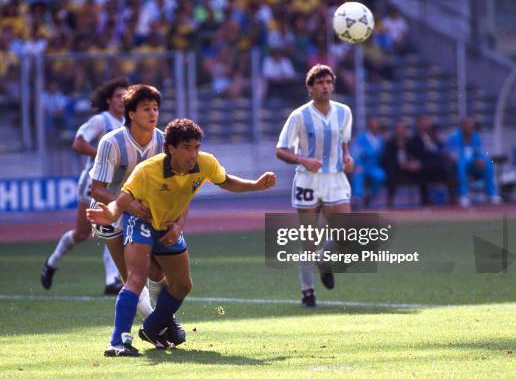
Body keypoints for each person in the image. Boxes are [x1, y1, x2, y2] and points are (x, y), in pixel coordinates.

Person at [87, 118, 277, 357]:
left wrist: (256, 185)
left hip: (168, 226)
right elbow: (123, 201)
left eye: (196, 147)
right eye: (187, 147)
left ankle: (153, 327)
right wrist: (110, 212)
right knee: (136, 277)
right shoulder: (147, 171)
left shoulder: (205, 163)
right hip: (141, 223)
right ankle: (118, 342)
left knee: (183, 285)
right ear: (170, 148)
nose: (193, 153)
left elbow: (226, 181)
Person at [89, 84, 187, 356]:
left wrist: (176, 221)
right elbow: (96, 189)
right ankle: (147, 330)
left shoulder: (163, 141)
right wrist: (128, 204)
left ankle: (161, 323)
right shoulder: (112, 142)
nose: (153, 113)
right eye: (146, 109)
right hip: (112, 214)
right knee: (133, 276)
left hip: (146, 214)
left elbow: (176, 185)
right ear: (131, 113)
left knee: (157, 272)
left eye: (155, 108)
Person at [275, 64, 354, 308]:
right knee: (308, 238)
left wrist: (348, 159)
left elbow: (344, 146)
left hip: (335, 178)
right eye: (320, 83)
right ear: (310, 88)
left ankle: (323, 259)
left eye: (329, 82)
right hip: (308, 180)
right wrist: (303, 160)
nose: (326, 87)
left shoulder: (344, 112)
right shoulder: (299, 116)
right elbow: (281, 150)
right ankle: (307, 291)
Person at [41, 77, 128, 294]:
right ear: (108, 100)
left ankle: (112, 280)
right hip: (93, 181)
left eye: (125, 96)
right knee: (82, 233)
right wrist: (103, 154)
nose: (122, 100)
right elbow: (78, 143)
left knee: (115, 224)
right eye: (118, 96)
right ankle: (52, 262)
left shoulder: (129, 123)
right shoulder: (101, 121)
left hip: (115, 184)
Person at [446, 118, 501, 207]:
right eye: (467, 125)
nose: (469, 128)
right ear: (462, 126)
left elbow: (483, 151)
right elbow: (451, 152)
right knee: (461, 164)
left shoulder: (476, 136)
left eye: (471, 126)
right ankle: (463, 195)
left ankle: (492, 194)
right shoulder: (454, 136)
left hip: (474, 163)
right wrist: (458, 158)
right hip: (460, 163)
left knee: (489, 163)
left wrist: (481, 159)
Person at [406, 115, 456, 206]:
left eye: (426, 122)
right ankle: (425, 201)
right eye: (422, 122)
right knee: (422, 168)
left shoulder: (434, 137)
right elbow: (412, 154)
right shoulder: (414, 139)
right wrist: (412, 161)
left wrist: (448, 155)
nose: (425, 124)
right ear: (418, 124)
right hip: (423, 164)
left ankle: (452, 196)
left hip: (437, 164)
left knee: (449, 165)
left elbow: (441, 149)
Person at [382, 121, 423, 208]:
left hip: (408, 167)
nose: (400, 131)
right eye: (398, 129)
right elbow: (387, 159)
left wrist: (412, 163)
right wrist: (400, 164)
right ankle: (390, 201)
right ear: (395, 130)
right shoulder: (390, 143)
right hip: (396, 168)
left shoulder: (410, 142)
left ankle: (424, 201)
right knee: (392, 173)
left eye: (402, 129)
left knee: (422, 172)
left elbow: (415, 155)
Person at [352, 117, 386, 207]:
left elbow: (382, 155)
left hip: (373, 166)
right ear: (369, 126)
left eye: (376, 124)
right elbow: (355, 152)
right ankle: (357, 197)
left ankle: (372, 194)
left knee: (380, 175)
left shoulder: (381, 139)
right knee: (358, 173)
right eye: (373, 124)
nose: (375, 126)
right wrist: (357, 163)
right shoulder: (361, 138)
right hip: (362, 165)